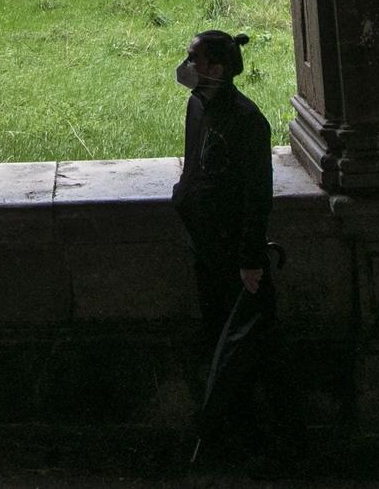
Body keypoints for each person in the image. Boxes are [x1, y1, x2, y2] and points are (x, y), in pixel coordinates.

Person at [169, 28, 278, 466]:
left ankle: (259, 442)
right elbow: (194, 164)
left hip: (235, 254)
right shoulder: (198, 106)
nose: (186, 67)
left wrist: (251, 260)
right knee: (217, 339)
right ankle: (229, 434)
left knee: (244, 351)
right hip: (205, 244)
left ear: (216, 68)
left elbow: (258, 194)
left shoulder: (249, 120)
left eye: (193, 60)